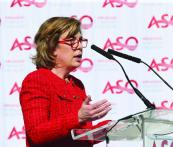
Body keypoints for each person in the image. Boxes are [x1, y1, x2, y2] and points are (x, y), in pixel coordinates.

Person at [20, 17, 112, 147]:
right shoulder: (36, 80)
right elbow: (36, 133)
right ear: (51, 46)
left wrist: (110, 128)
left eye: (80, 40)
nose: (79, 46)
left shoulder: (78, 85)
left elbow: (80, 137)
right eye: (72, 41)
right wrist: (78, 117)